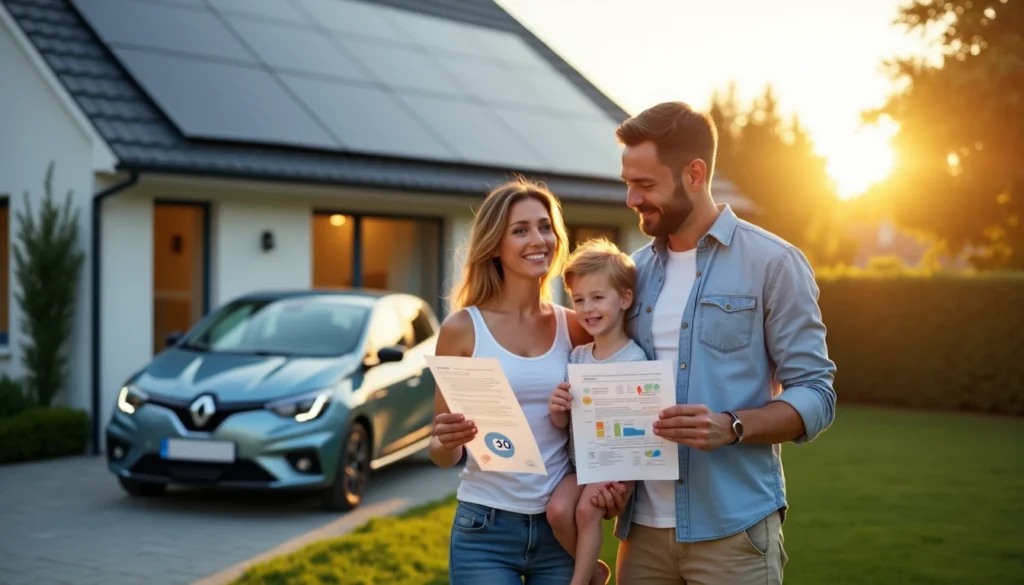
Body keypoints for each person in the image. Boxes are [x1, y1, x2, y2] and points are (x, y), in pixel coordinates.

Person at [584, 101, 838, 584]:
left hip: (733, 533)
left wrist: (733, 425)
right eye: (627, 183)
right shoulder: (632, 274)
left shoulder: (774, 263)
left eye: (645, 184)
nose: (631, 199)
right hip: (641, 535)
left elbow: (817, 393)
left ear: (695, 174)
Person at [428, 178, 592, 585]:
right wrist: (446, 441)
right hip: (484, 528)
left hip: (560, 526)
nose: (538, 239)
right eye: (520, 230)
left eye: (544, 226)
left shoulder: (574, 327)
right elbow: (440, 454)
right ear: (494, 245)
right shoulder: (462, 329)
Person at [545, 238, 648, 585]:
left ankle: (578, 583)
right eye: (578, 300)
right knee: (558, 511)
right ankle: (594, 571)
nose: (587, 308)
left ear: (625, 299)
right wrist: (558, 406)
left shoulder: (635, 360)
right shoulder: (578, 357)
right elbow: (563, 423)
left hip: (618, 465)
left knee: (587, 510)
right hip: (582, 464)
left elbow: (642, 424)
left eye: (597, 297)